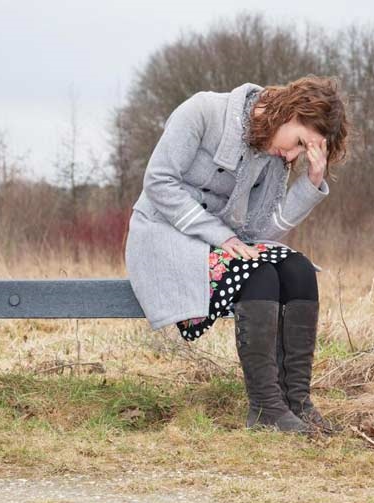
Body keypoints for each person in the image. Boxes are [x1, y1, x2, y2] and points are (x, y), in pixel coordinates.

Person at [124, 76, 348, 433]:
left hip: (221, 245)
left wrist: (310, 183)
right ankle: (264, 408)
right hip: (164, 235)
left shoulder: (275, 155)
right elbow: (158, 182)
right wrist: (221, 235)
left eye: (302, 153)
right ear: (289, 112)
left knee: (298, 270)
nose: (292, 156)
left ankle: (295, 403)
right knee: (256, 273)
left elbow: (259, 233)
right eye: (299, 143)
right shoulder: (203, 111)